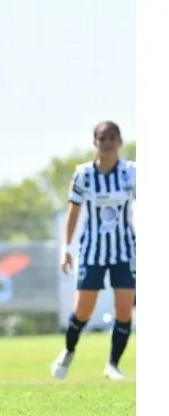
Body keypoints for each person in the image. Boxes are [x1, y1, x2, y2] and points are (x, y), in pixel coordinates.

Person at [51, 121, 136, 381]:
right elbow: (73, 213)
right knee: (83, 310)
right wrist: (66, 249)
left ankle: (112, 364)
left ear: (120, 142)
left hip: (124, 251)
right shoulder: (84, 174)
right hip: (92, 251)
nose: (108, 143)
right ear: (95, 143)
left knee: (124, 310)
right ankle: (68, 350)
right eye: (102, 138)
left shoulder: (132, 173)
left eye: (112, 138)